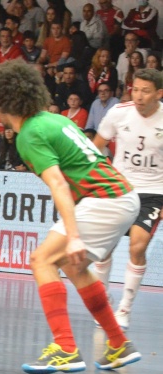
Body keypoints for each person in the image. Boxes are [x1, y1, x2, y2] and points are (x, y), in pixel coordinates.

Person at [0, 59, 141, 374]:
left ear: (2, 103)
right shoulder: (54, 119)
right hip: (122, 196)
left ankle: (65, 348)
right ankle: (119, 343)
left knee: (42, 261)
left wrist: (74, 235)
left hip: (104, 200)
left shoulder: (28, 135)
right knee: (73, 266)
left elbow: (59, 184)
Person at [91, 69, 163, 330]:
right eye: (136, 89)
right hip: (119, 188)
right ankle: (105, 304)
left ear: (159, 93)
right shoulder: (119, 112)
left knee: (137, 247)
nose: (139, 95)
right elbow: (96, 146)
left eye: (146, 91)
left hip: (154, 193)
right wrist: (98, 176)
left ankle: (125, 309)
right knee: (104, 248)